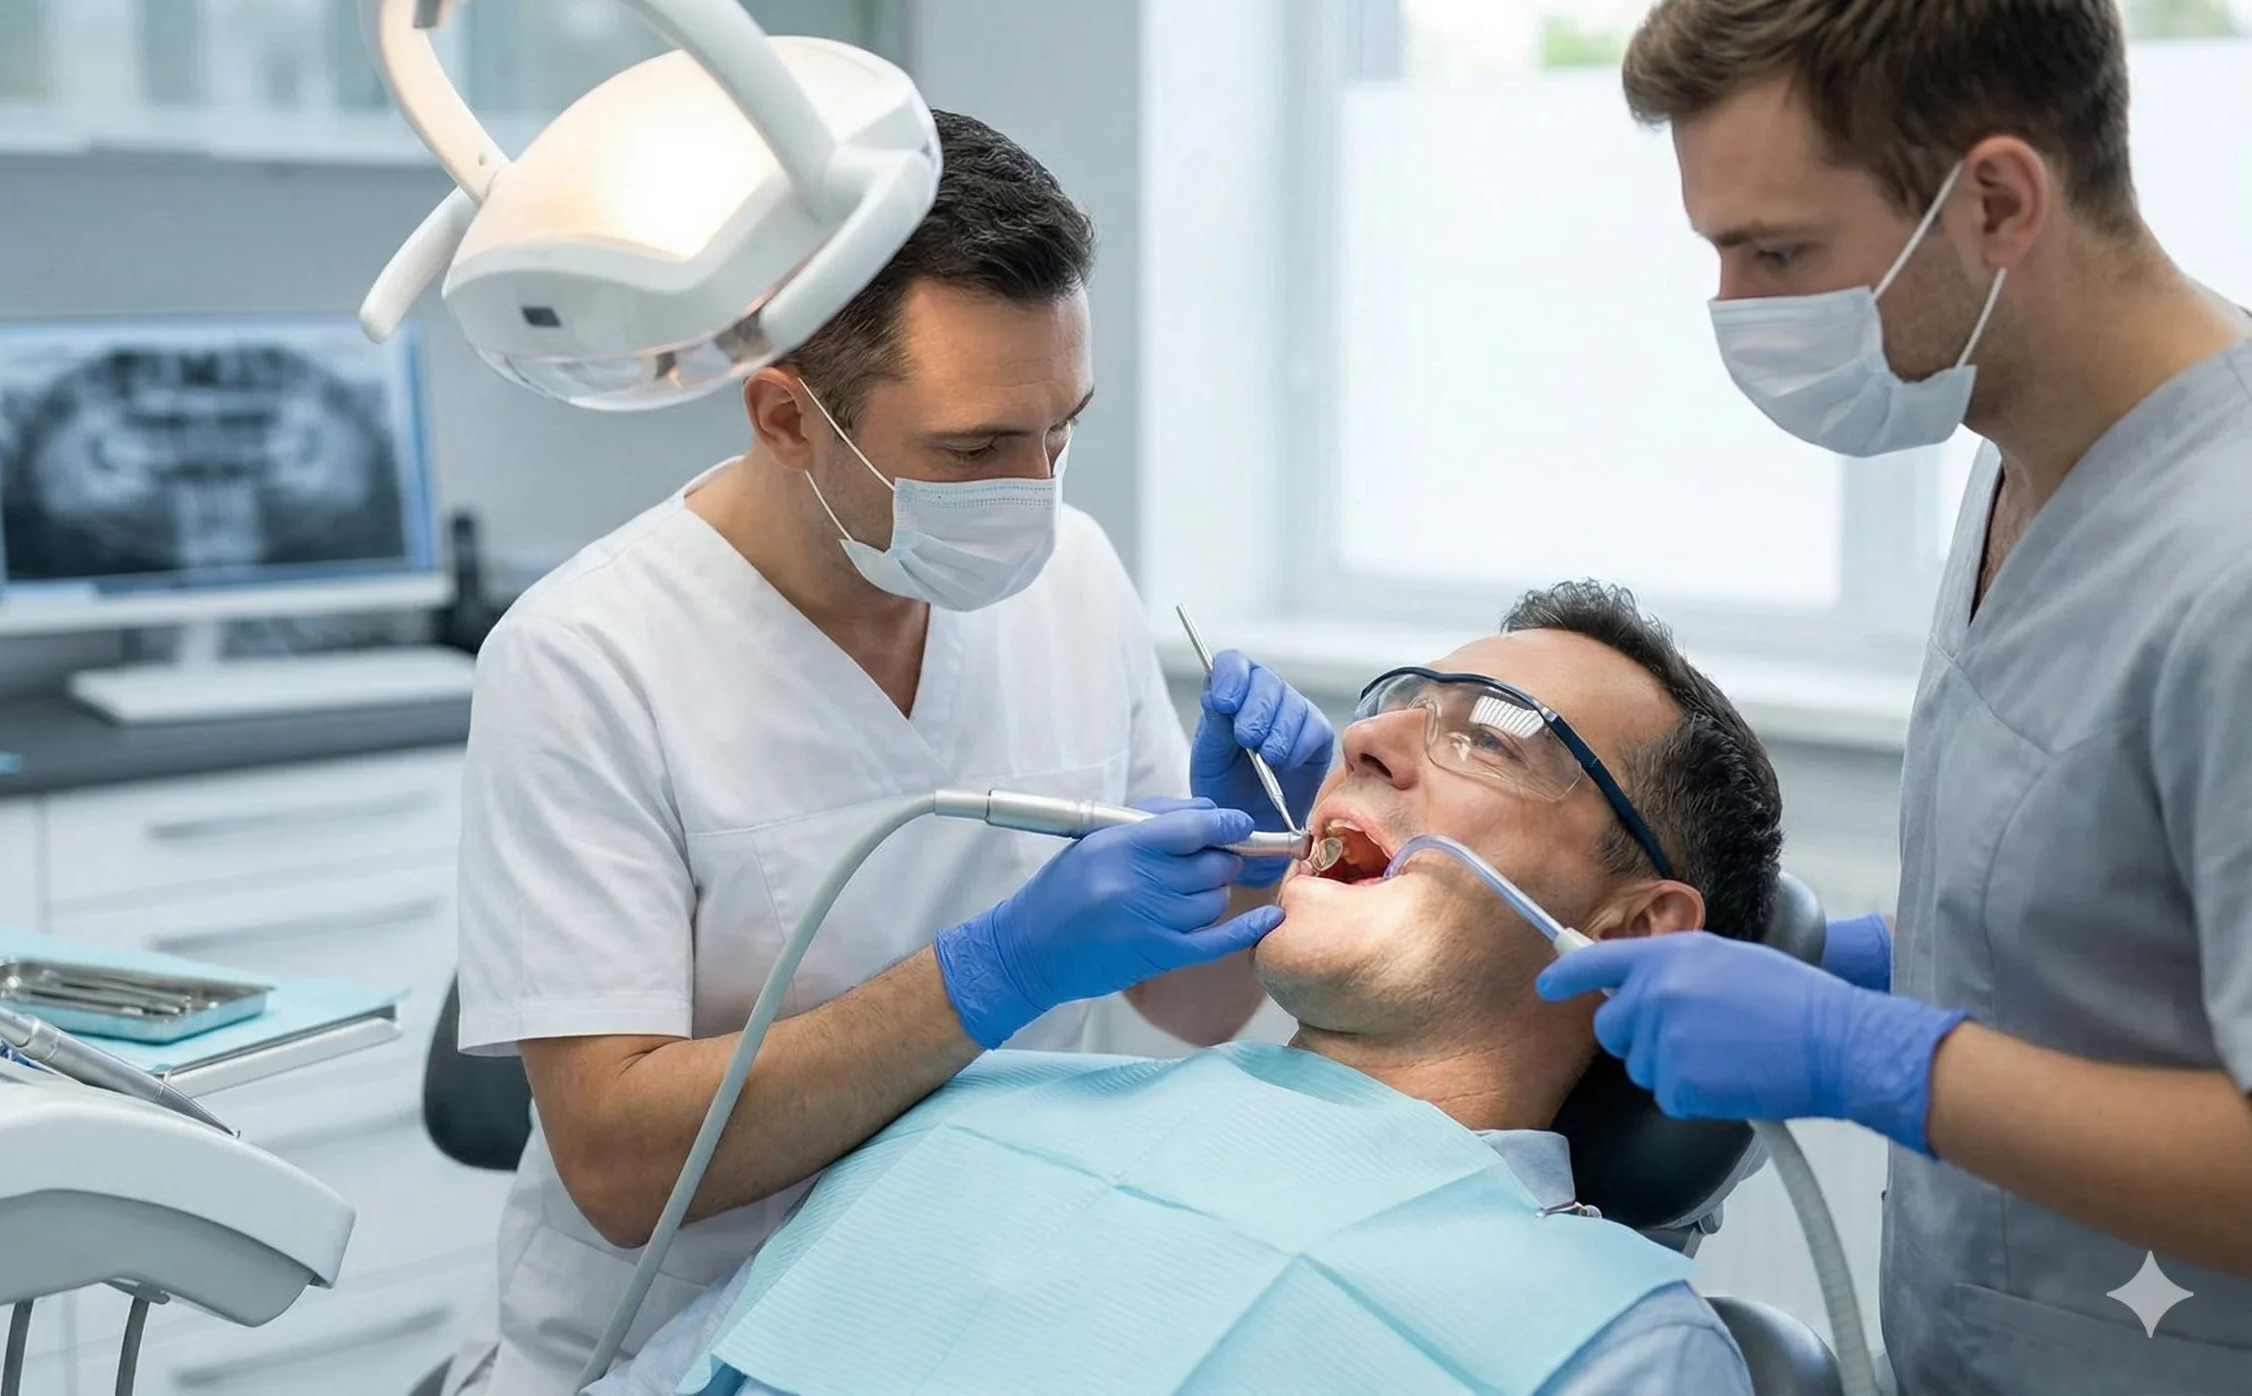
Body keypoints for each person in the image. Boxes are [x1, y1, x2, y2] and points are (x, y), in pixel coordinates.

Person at [446, 109, 1340, 1394]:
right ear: (785, 417)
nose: (1033, 491)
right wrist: (989, 974)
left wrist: (1255, 865)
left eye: (1062, 431)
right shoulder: (587, 655)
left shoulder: (1072, 575)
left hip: (991, 1311)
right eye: (973, 450)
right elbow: (622, 1171)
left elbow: (1190, 1011)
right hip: (683, 1339)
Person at [1535, 4, 2252, 1392]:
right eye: (1720, 254)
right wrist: (1862, 960)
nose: (1739, 313)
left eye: (1782, 253)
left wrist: (1872, 1058)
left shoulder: (2229, 562)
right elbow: (2109, 901)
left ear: (1994, 200)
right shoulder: (2024, 448)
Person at [587, 581, 1782, 1396]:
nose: (1365, 745)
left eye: (1491, 737)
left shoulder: (1606, 1344)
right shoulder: (968, 1115)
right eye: (1395, 708)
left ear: (1628, 929)